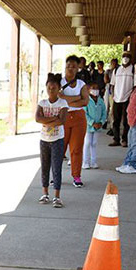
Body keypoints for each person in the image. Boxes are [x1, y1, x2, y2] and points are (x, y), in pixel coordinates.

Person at [35, 73, 68, 208]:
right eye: (49, 88)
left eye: (54, 88)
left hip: (57, 140)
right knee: (45, 167)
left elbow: (62, 121)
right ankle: (45, 193)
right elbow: (37, 118)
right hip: (44, 140)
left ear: (59, 88)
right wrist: (54, 119)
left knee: (56, 167)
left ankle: (57, 196)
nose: (51, 90)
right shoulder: (42, 102)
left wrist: (47, 120)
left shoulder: (63, 103)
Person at [59, 55, 89, 187]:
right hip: (62, 117)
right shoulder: (58, 82)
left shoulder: (81, 84)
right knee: (59, 148)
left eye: (74, 66)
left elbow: (85, 101)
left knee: (76, 149)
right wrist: (77, 98)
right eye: (68, 66)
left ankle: (76, 176)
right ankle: (56, 175)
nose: (71, 69)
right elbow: (56, 99)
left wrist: (65, 98)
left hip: (78, 118)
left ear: (78, 68)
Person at [110, 52, 136, 147]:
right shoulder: (117, 70)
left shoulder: (133, 69)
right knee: (115, 120)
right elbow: (113, 84)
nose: (125, 58)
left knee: (126, 121)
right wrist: (113, 96)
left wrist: (131, 97)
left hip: (127, 98)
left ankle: (124, 140)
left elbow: (135, 86)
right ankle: (116, 139)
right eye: (124, 57)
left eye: (128, 57)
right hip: (117, 98)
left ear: (131, 59)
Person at [83, 80, 108, 170]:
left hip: (98, 127)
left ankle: (93, 162)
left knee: (94, 143)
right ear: (88, 90)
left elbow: (104, 112)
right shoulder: (86, 101)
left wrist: (101, 122)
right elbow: (84, 113)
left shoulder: (101, 101)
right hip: (89, 126)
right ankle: (85, 162)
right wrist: (92, 123)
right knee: (87, 143)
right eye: (93, 88)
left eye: (97, 88)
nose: (96, 90)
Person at [105, 58, 119, 134]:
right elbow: (106, 81)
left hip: (118, 93)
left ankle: (112, 127)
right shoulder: (109, 71)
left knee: (113, 111)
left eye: (115, 63)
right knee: (107, 108)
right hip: (110, 91)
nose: (113, 64)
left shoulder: (119, 70)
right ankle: (107, 123)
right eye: (112, 63)